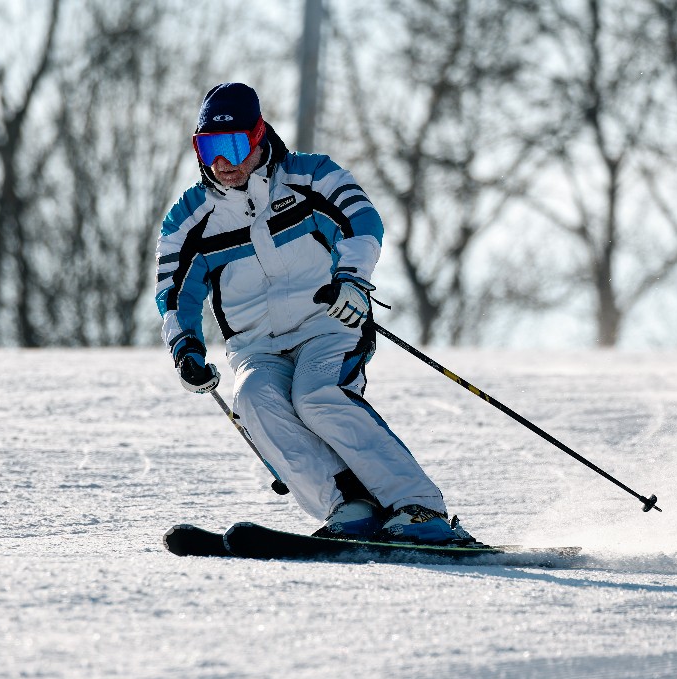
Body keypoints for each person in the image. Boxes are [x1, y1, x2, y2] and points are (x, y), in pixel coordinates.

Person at [155, 82, 476, 546]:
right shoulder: (189, 219)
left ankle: (419, 507)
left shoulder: (311, 177)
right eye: (208, 148)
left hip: (330, 323)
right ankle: (348, 506)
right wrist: (184, 347)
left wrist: (352, 282)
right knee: (254, 399)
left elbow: (361, 221)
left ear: (259, 134)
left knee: (317, 395)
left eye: (233, 145)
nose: (221, 162)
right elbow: (174, 292)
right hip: (256, 345)